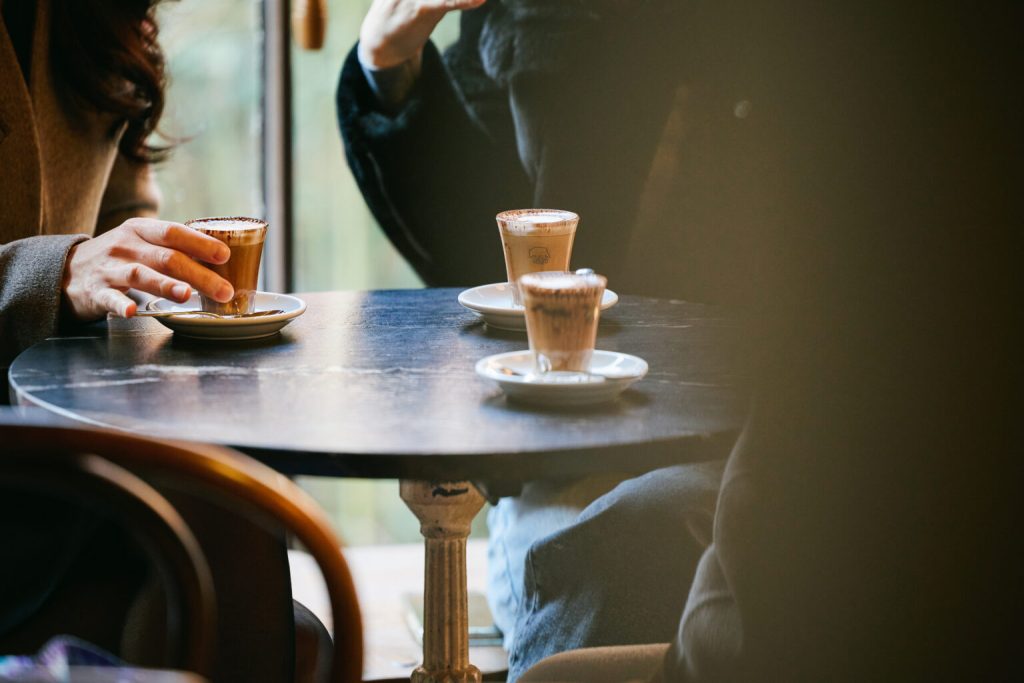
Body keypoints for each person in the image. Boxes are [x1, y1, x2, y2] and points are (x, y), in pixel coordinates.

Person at [337, 0, 762, 678]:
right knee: (615, 552)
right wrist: (390, 72)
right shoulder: (526, 23)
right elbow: (498, 254)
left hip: (763, 446)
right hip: (567, 466)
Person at [0, 3, 328, 681]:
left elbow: (121, 208)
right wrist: (55, 271)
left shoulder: (91, 14)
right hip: (27, 475)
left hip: (61, 460)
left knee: (231, 496)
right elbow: (72, 262)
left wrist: (149, 280)